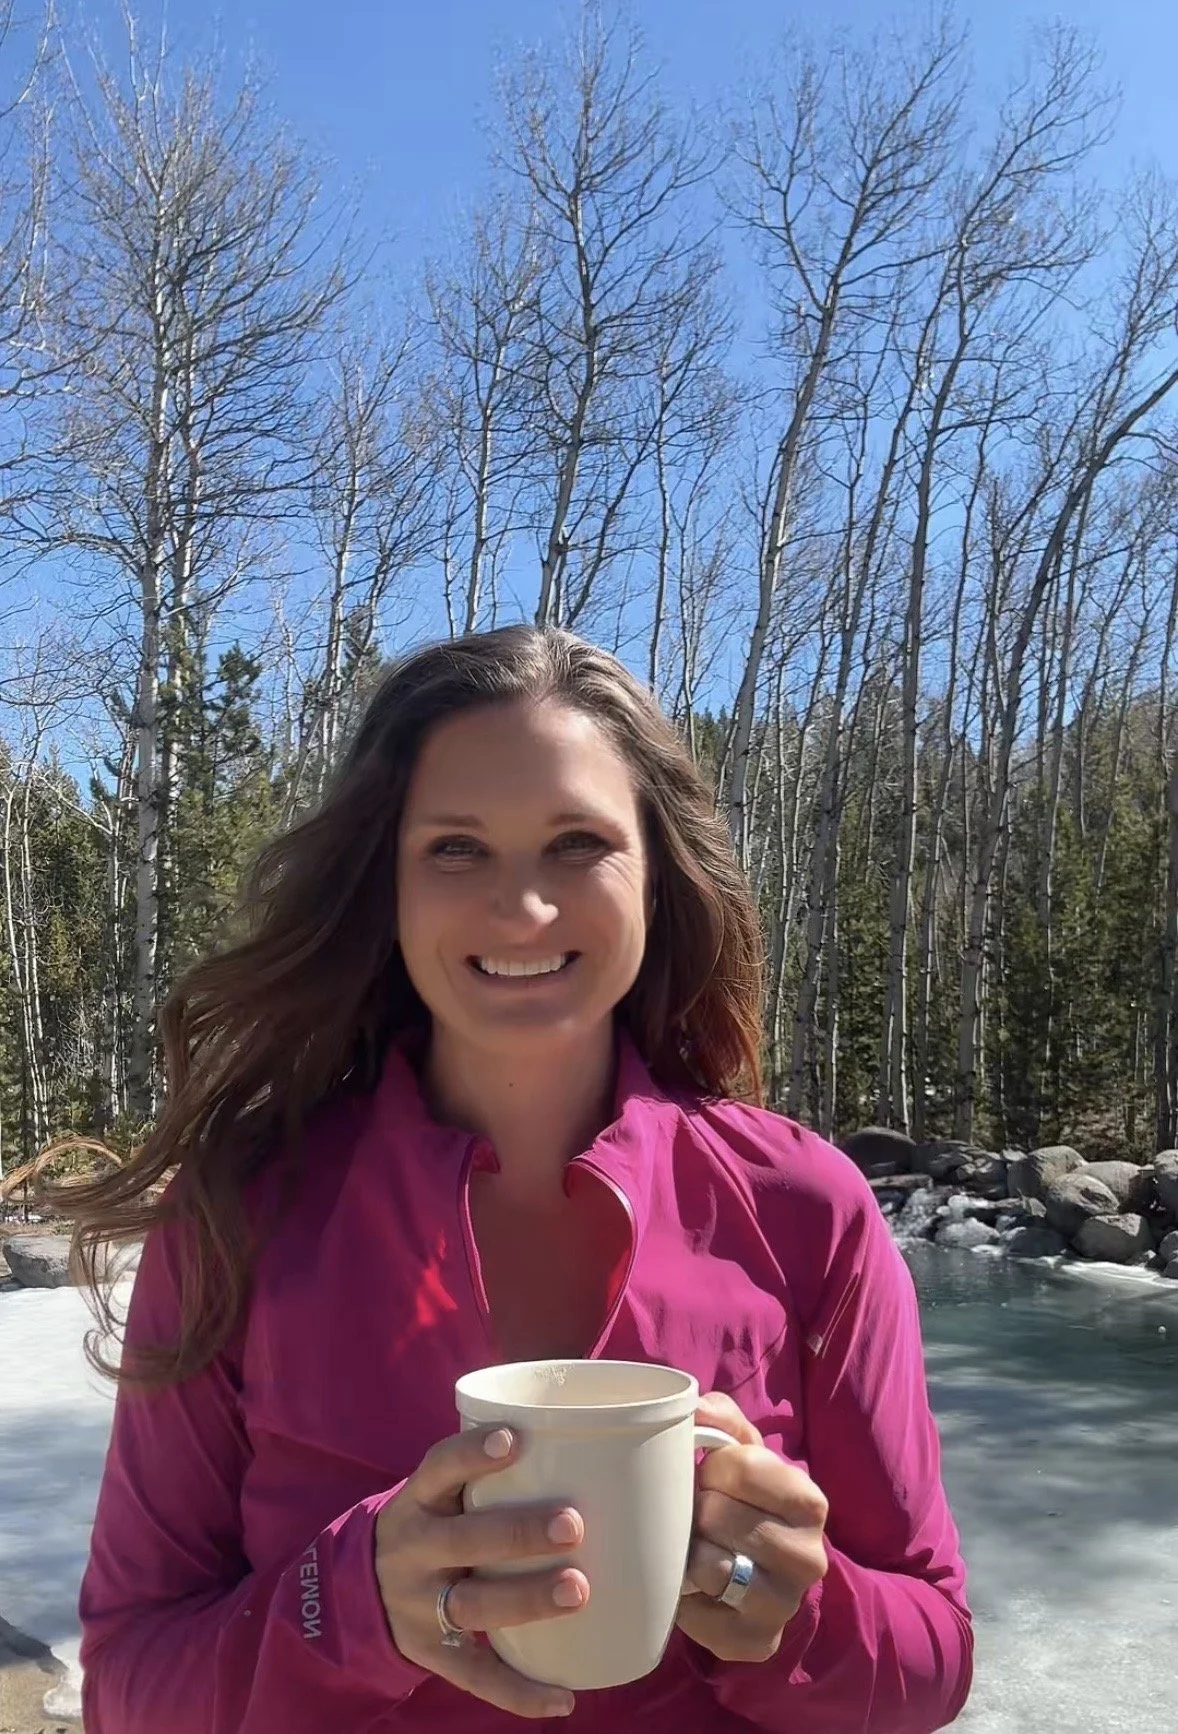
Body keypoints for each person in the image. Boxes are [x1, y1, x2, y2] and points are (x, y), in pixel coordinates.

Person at [69, 625, 973, 1733]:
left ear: (658, 872)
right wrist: (346, 1604)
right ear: (385, 884)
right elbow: (126, 1686)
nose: (523, 909)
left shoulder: (802, 1207)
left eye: (576, 844)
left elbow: (932, 1658)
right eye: (455, 849)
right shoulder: (243, 1214)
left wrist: (797, 1616)